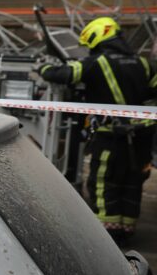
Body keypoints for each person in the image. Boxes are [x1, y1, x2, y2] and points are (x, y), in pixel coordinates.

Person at [37, 16, 157, 243]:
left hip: (111, 138)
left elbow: (65, 74)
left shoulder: (96, 62)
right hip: (141, 137)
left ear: (97, 38)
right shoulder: (141, 63)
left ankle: (108, 235)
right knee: (133, 182)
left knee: (104, 182)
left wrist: (43, 67)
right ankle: (127, 230)